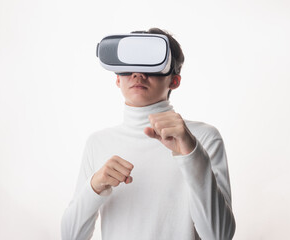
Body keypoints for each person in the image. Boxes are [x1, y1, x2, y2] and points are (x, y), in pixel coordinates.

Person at [61, 28, 236, 240]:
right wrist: (95, 186)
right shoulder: (98, 143)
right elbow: (71, 236)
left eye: (151, 64)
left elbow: (220, 236)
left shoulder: (204, 138)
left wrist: (191, 154)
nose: (138, 74)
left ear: (174, 80)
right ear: (117, 78)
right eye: (129, 65)